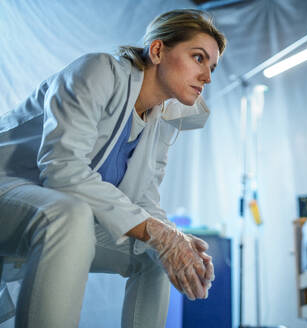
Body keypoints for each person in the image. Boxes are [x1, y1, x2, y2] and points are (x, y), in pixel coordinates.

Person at [0, 9, 226, 328]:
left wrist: (178, 243)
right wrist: (159, 233)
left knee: (156, 254)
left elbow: (144, 202)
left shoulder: (162, 121)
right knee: (70, 212)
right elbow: (62, 170)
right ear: (158, 50)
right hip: (6, 189)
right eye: (199, 58)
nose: (208, 77)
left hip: (51, 208)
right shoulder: (98, 71)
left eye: (212, 67)